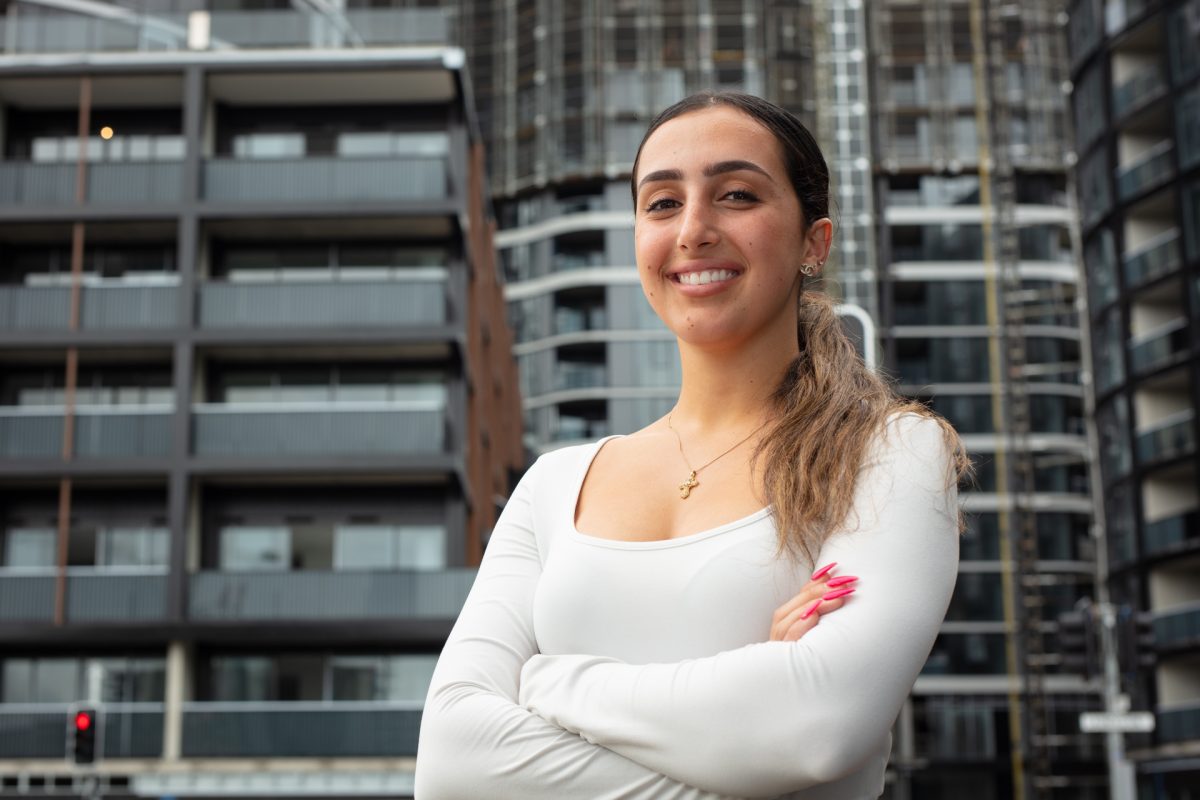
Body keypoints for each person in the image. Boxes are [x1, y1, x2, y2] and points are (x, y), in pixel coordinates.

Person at [414, 91, 971, 799]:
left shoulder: (893, 454)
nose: (695, 229)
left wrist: (553, 683)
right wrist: (748, 742)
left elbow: (817, 725)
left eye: (737, 195)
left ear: (814, 242)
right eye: (662, 203)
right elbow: (451, 762)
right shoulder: (554, 484)